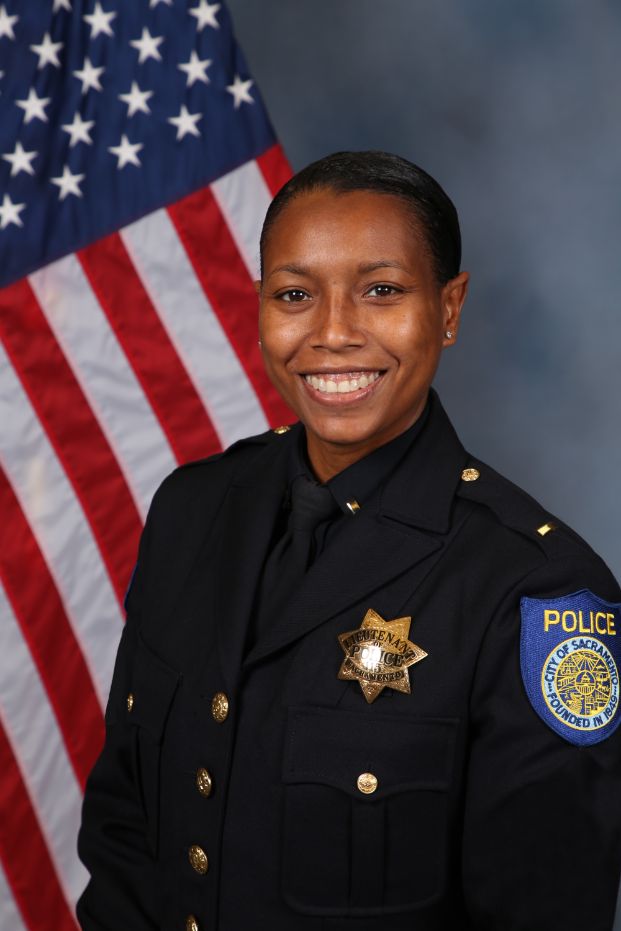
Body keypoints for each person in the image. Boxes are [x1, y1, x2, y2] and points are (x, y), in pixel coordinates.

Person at [77, 151, 621, 931]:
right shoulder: (191, 511)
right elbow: (125, 830)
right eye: (294, 294)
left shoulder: (533, 593)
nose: (332, 333)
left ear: (449, 308)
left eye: (381, 291)